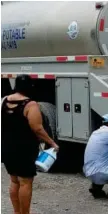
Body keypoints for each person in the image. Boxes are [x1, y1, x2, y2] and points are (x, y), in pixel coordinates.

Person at [1, 74, 59, 214]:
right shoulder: (30, 105)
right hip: (24, 148)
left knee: (14, 181)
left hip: (7, 147)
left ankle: (17, 211)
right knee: (25, 182)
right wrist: (52, 143)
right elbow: (37, 128)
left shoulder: (4, 100)